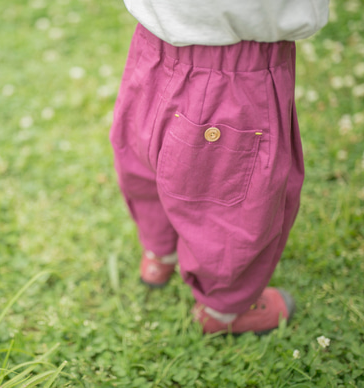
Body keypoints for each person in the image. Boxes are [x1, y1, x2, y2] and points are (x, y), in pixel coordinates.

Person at [110, 0, 329, 334]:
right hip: (237, 67)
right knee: (234, 203)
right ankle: (224, 311)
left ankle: (159, 255)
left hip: (153, 44)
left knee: (146, 158)